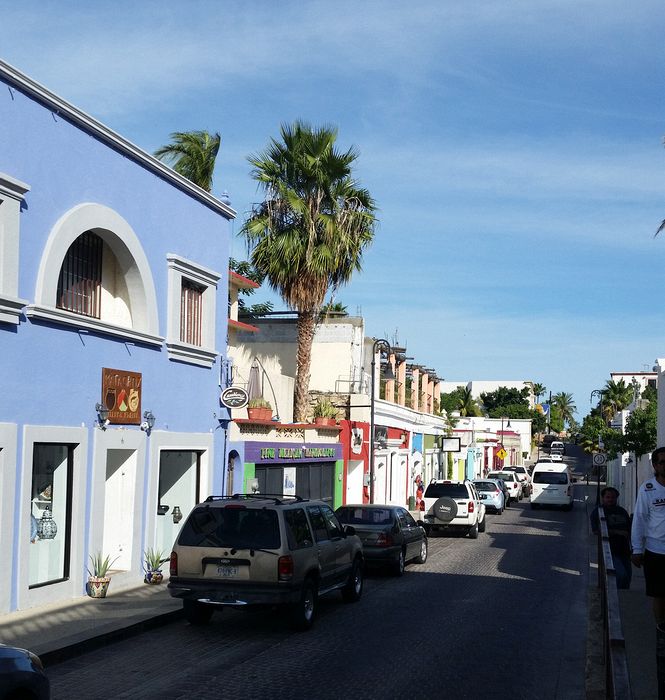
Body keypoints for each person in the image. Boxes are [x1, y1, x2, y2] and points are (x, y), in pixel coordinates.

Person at [631, 446, 665, 623]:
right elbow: (640, 519)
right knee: (659, 595)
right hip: (656, 552)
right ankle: (660, 632)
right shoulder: (648, 489)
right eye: (662, 462)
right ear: (655, 465)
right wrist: (637, 549)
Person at [590, 486, 632, 589]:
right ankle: (615, 598)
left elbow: (629, 529)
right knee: (621, 575)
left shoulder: (622, 511)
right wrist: (617, 532)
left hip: (624, 550)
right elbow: (596, 530)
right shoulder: (598, 512)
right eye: (607, 497)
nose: (610, 499)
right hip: (610, 550)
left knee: (628, 576)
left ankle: (622, 598)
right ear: (603, 498)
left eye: (612, 497)